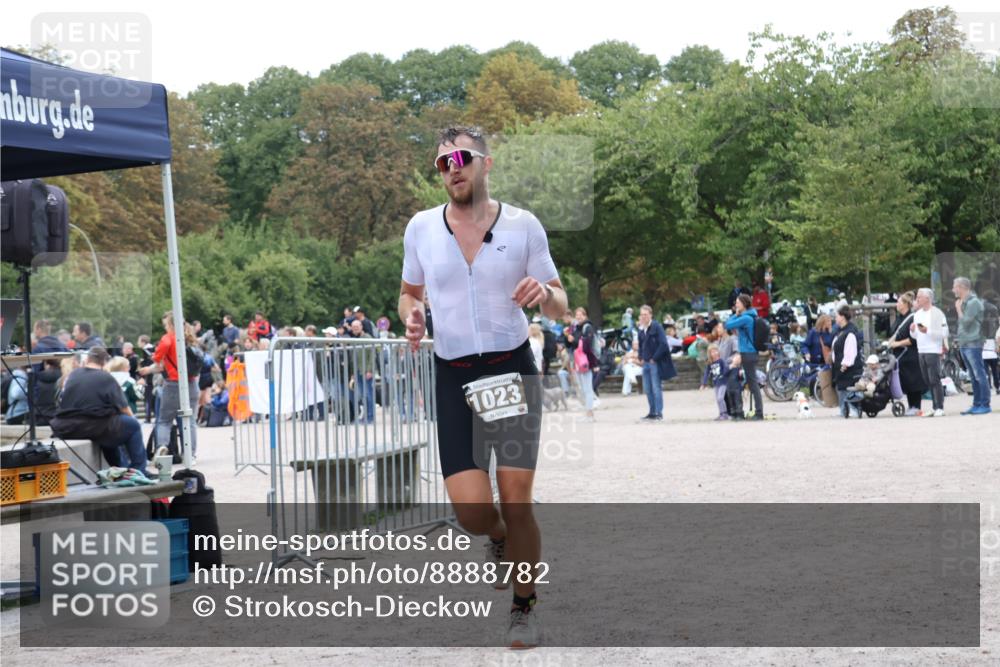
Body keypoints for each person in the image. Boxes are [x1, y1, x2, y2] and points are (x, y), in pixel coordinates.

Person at [398, 126, 567, 648]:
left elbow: (561, 301)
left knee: (518, 501)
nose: (453, 167)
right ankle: (495, 538)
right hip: (453, 375)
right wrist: (413, 315)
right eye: (443, 161)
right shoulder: (422, 228)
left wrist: (544, 293)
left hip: (510, 368)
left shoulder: (522, 226)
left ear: (485, 164)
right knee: (473, 512)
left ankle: (524, 606)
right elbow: (407, 293)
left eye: (462, 157)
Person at [50, 347, 149, 473]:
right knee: (132, 426)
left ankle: (121, 469)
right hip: (93, 425)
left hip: (67, 426)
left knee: (109, 433)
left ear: (87, 360)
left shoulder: (73, 375)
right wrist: (131, 418)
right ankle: (139, 470)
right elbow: (124, 408)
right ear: (104, 362)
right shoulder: (105, 377)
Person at [139, 312, 200, 460]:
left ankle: (162, 447)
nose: (165, 328)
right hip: (191, 384)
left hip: (173, 384)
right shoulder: (190, 338)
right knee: (190, 420)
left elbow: (159, 365)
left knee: (165, 420)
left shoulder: (168, 339)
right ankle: (190, 454)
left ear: (171, 325)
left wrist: (148, 369)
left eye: (166, 325)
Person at [953, 277, 990, 414]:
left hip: (973, 342)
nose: (953, 290)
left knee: (979, 374)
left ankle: (985, 404)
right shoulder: (965, 302)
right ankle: (976, 404)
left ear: (962, 287)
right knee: (973, 376)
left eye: (954, 287)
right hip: (965, 342)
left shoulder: (973, 302)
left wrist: (958, 309)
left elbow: (966, 322)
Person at [886, 292, 928, 416]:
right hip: (901, 356)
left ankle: (916, 406)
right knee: (907, 381)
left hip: (911, 354)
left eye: (899, 302)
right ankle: (911, 406)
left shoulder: (913, 317)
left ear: (906, 304)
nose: (897, 304)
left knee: (914, 381)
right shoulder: (899, 318)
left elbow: (914, 338)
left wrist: (897, 344)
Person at [724, 294, 764, 420]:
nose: (736, 305)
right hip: (749, 353)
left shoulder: (746, 318)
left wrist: (735, 314)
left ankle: (759, 413)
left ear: (744, 304)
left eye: (738, 303)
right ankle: (742, 410)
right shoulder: (751, 316)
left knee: (752, 383)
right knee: (751, 382)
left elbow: (727, 325)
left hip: (748, 353)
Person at [911, 288, 948, 417]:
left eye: (920, 296)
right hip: (921, 349)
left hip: (933, 350)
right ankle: (934, 405)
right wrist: (913, 331)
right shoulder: (917, 314)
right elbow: (916, 336)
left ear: (928, 298)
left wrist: (927, 330)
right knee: (927, 379)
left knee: (934, 379)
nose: (917, 299)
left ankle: (940, 407)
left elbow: (944, 333)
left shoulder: (937, 313)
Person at [638, 304, 674, 421]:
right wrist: (641, 357)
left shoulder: (657, 327)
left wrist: (655, 358)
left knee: (656, 388)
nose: (643, 317)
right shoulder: (641, 330)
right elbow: (640, 346)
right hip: (646, 363)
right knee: (647, 389)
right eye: (642, 315)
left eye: (645, 314)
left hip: (654, 362)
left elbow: (663, 344)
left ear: (650, 315)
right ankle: (652, 412)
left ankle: (659, 412)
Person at [567, 307, 599, 421]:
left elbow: (587, 347)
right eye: (577, 315)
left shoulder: (587, 327)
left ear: (585, 316)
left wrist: (594, 364)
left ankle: (590, 415)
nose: (578, 317)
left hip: (586, 362)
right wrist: (570, 340)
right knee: (583, 389)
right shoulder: (578, 328)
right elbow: (574, 345)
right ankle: (588, 414)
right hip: (579, 362)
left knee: (587, 389)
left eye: (580, 315)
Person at [831, 305, 863, 418]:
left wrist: (845, 364)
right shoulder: (840, 331)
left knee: (848, 387)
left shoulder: (850, 332)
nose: (835, 318)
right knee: (841, 388)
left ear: (843, 317)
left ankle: (853, 409)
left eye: (837, 315)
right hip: (839, 366)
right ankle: (843, 409)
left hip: (848, 367)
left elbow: (851, 349)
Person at [700, 344, 732, 420]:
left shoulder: (721, 361)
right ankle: (721, 413)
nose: (714, 353)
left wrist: (724, 374)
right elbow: (707, 373)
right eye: (712, 352)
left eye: (715, 351)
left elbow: (726, 369)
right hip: (716, 383)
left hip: (723, 382)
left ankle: (725, 413)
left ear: (718, 351)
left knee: (720, 398)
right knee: (718, 399)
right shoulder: (710, 363)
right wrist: (704, 383)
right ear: (709, 354)